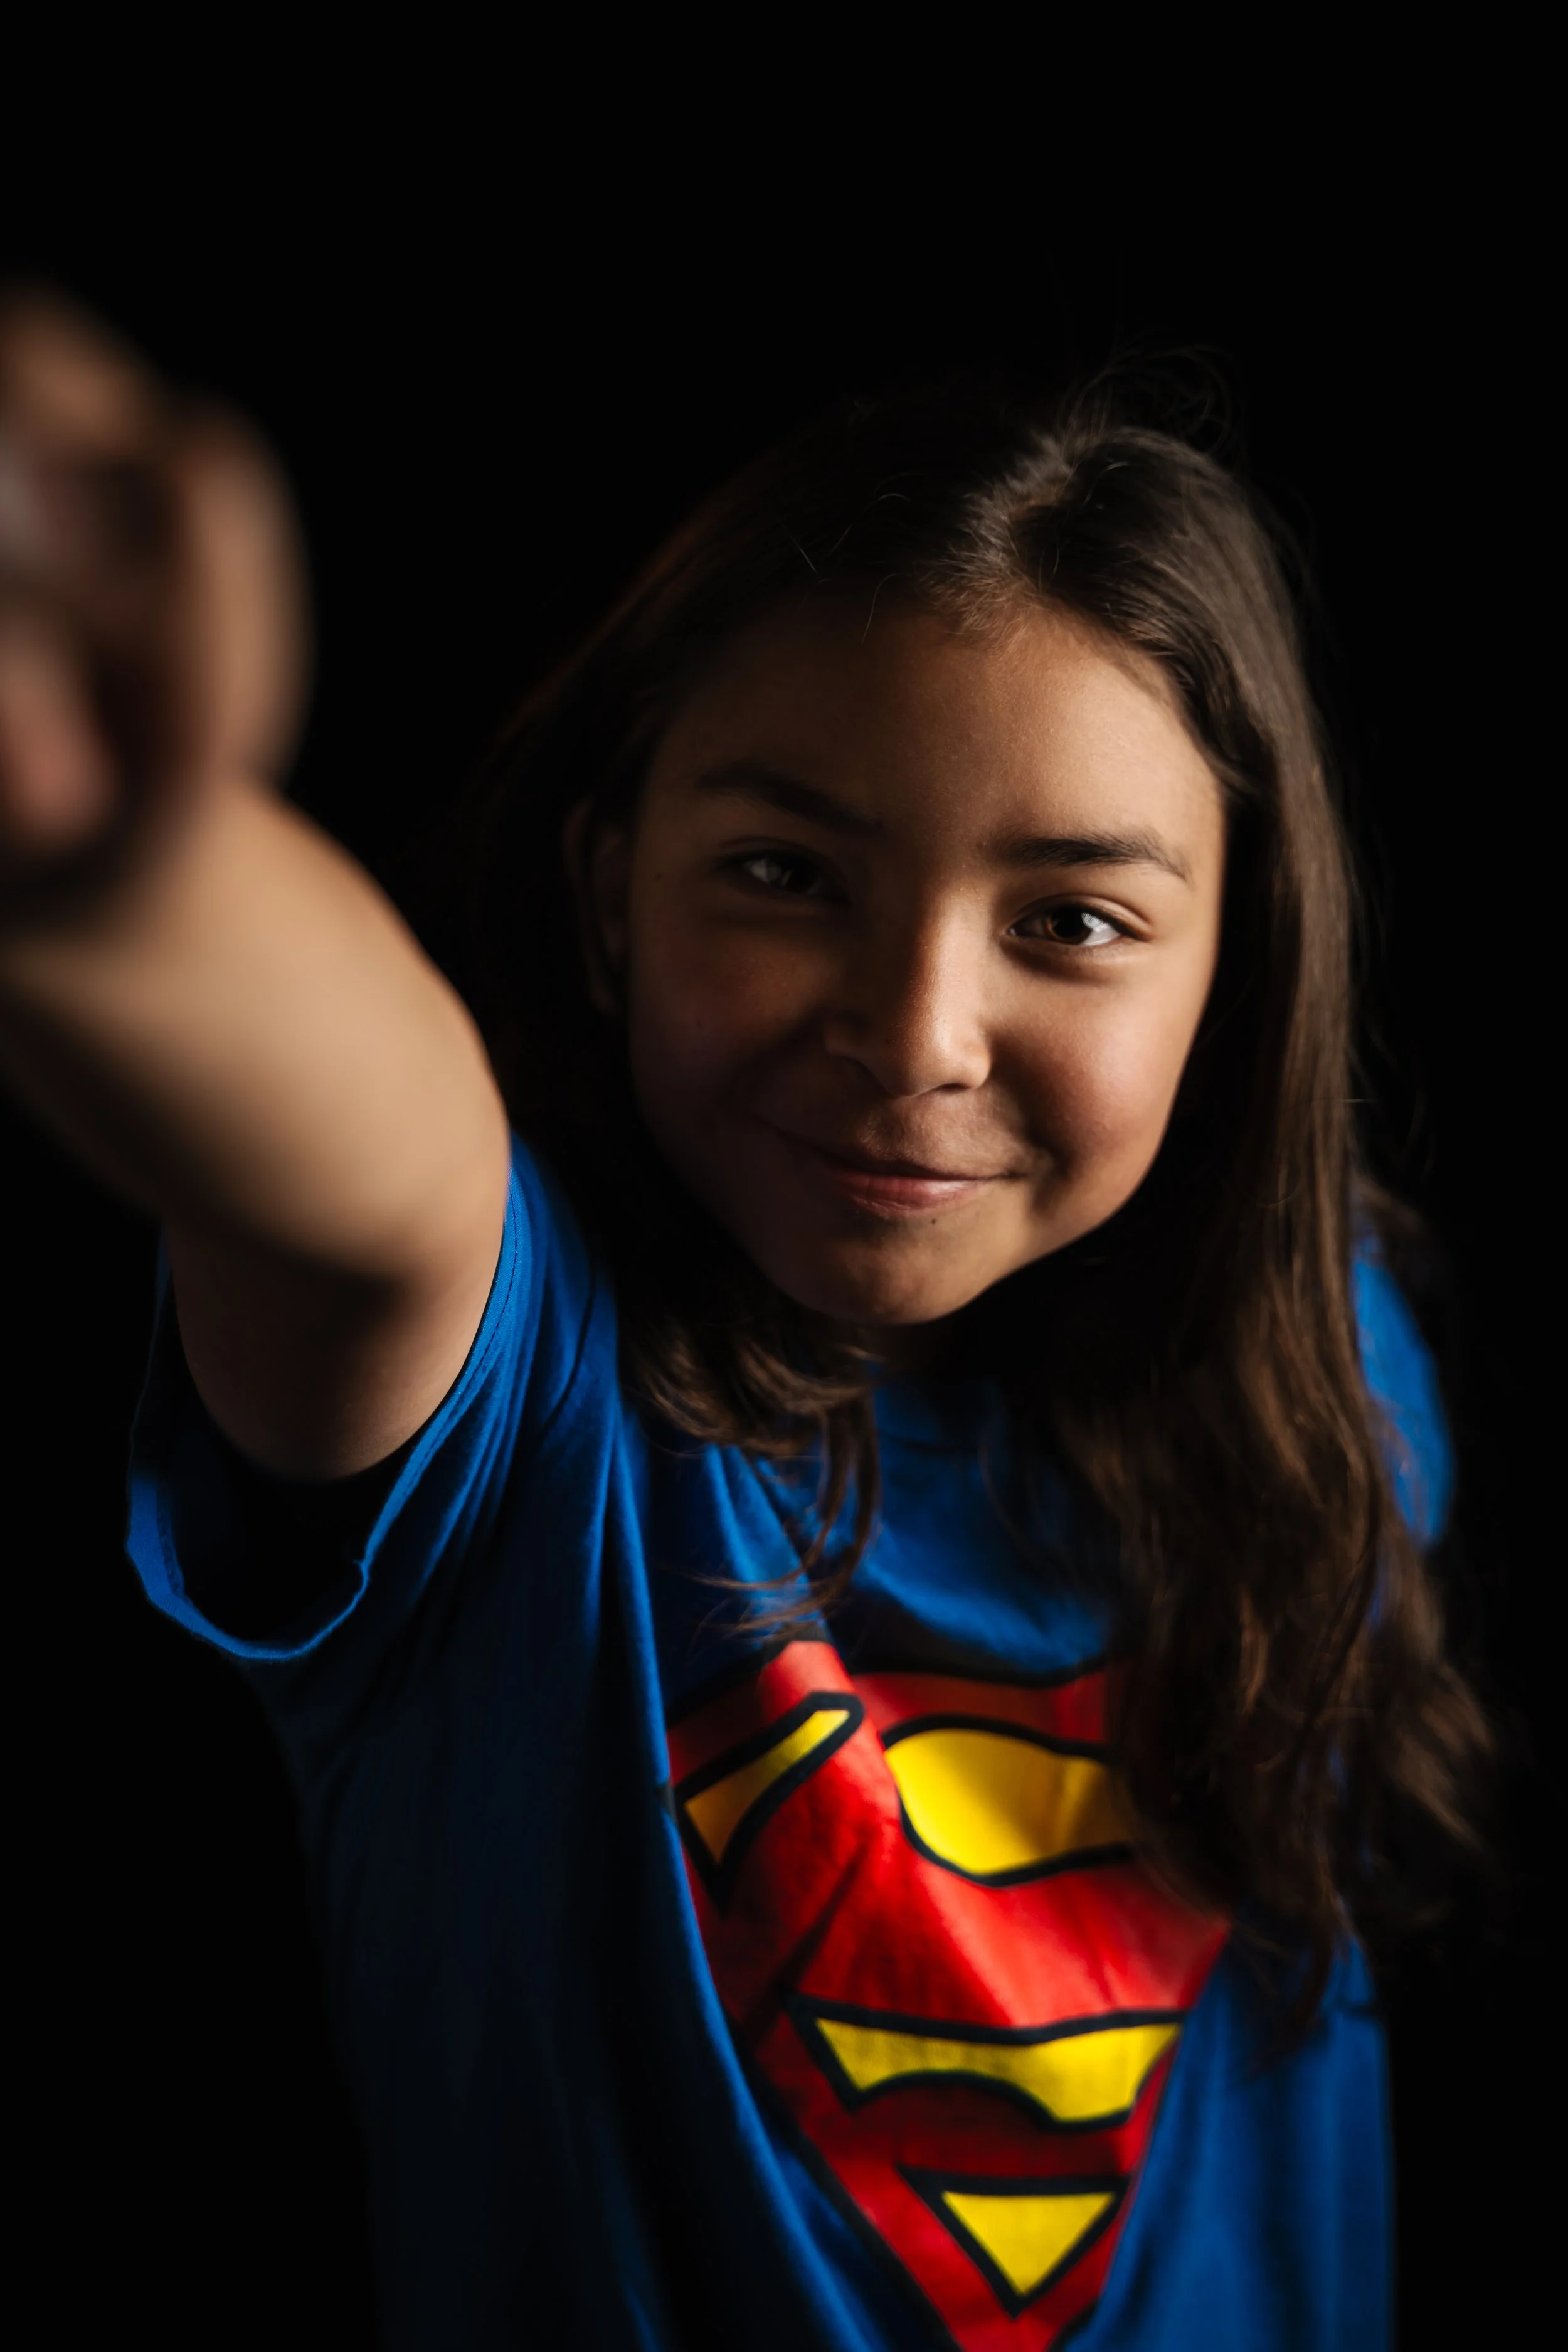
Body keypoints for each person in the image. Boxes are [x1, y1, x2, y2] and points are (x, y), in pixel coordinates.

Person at [0, 296, 1486, 2352]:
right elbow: (361, 1157)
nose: (915, 1031)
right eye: (784, 873)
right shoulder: (524, 1420)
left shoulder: (1331, 1370)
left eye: (1070, 919)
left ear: (1232, 970)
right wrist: (122, 855)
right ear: (613, 892)